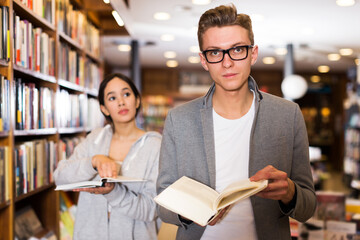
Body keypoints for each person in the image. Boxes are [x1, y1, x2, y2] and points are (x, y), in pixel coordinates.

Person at [156, 4, 316, 240]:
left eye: (237, 49)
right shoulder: (179, 120)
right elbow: (163, 206)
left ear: (253, 53)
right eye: (215, 52)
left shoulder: (287, 115)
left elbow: (308, 207)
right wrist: (193, 211)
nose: (227, 62)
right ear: (203, 60)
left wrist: (290, 192)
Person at [54, 73, 162, 240]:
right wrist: (93, 162)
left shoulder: (155, 146)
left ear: (137, 101)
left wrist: (113, 192)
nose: (121, 102)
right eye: (112, 98)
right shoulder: (94, 139)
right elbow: (60, 178)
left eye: (126, 94)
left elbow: (151, 210)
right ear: (104, 108)